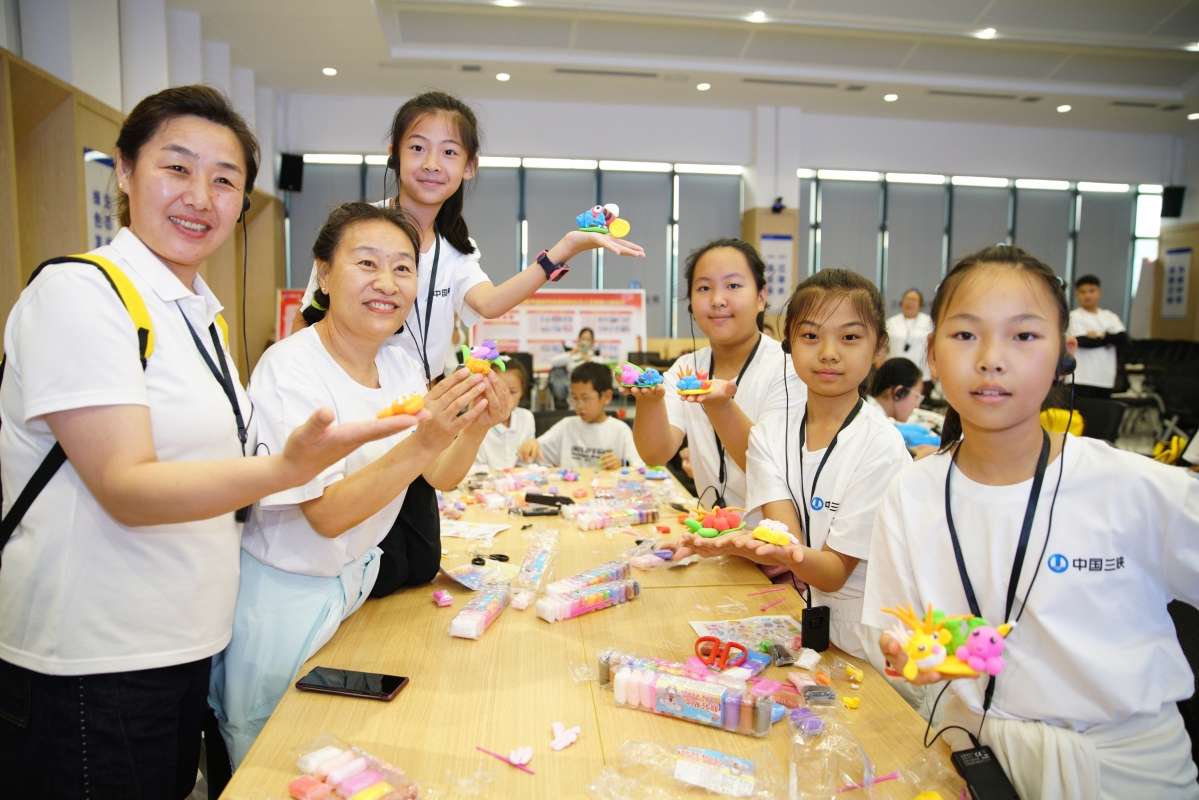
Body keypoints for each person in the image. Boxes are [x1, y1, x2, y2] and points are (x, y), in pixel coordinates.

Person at [0, 87, 417, 799]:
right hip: (91, 658)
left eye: (224, 180)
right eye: (177, 168)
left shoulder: (198, 315)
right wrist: (284, 469)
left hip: (182, 644)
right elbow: (126, 487)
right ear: (124, 169)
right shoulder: (82, 294)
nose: (200, 197)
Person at [864, 245, 1199, 799]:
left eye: (1023, 335)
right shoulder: (911, 492)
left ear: (1065, 353)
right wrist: (904, 653)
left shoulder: (1138, 488)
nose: (992, 358)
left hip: (1123, 773)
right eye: (965, 334)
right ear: (932, 354)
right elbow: (895, 631)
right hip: (969, 758)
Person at [296, 91, 643, 599]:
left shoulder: (456, 249)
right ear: (394, 154)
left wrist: (564, 249)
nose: (431, 163)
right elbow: (311, 321)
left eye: (449, 152)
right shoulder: (360, 231)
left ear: (470, 166)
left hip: (417, 412)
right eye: (417, 148)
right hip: (355, 413)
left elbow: (491, 302)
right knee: (353, 559)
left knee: (414, 565)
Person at [209, 202, 508, 765]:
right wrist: (424, 440)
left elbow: (436, 474)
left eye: (402, 268)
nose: (387, 283)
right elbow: (324, 515)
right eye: (366, 263)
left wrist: (475, 427)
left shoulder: (399, 364)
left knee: (335, 760)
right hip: (285, 600)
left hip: (352, 590)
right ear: (323, 273)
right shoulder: (290, 369)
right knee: (270, 763)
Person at [681, 269, 923, 708]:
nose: (828, 353)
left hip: (878, 647)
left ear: (879, 348)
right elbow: (787, 541)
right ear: (789, 343)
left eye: (849, 337)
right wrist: (738, 544)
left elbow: (832, 571)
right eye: (810, 336)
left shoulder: (881, 447)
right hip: (816, 630)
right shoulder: (769, 435)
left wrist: (761, 547)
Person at [621, 239, 804, 524]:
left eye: (733, 285)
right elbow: (655, 454)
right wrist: (649, 400)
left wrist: (720, 406)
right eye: (704, 288)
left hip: (774, 537)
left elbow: (771, 467)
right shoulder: (685, 369)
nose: (717, 300)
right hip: (713, 532)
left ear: (761, 297)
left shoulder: (788, 368)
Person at [520, 362, 642, 469]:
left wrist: (621, 464)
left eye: (586, 398)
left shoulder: (620, 430)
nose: (579, 405)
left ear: (606, 397)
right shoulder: (566, 426)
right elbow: (537, 451)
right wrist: (532, 444)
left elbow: (638, 466)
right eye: (575, 398)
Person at [1068, 274, 1127, 400]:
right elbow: (1082, 342)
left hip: (1104, 378)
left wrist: (1098, 336)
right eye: (1082, 292)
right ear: (1077, 294)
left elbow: (1123, 339)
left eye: (1091, 291)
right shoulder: (1073, 316)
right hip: (1080, 378)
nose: (1087, 295)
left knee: (1102, 411)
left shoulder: (1110, 316)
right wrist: (1108, 339)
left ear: (1100, 292)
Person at [869, 357, 941, 460]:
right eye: (917, 396)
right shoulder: (876, 426)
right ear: (898, 393)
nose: (917, 405)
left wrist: (912, 451)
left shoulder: (871, 412)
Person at [472, 356, 536, 470]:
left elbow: (526, 463)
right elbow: (474, 470)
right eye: (498, 391)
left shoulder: (526, 417)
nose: (506, 398)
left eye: (513, 392)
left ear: (522, 390)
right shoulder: (478, 421)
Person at [886, 288, 934, 381]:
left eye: (913, 300)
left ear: (920, 304)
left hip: (923, 376)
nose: (909, 302)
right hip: (895, 375)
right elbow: (883, 349)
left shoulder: (929, 322)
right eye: (907, 299)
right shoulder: (890, 322)